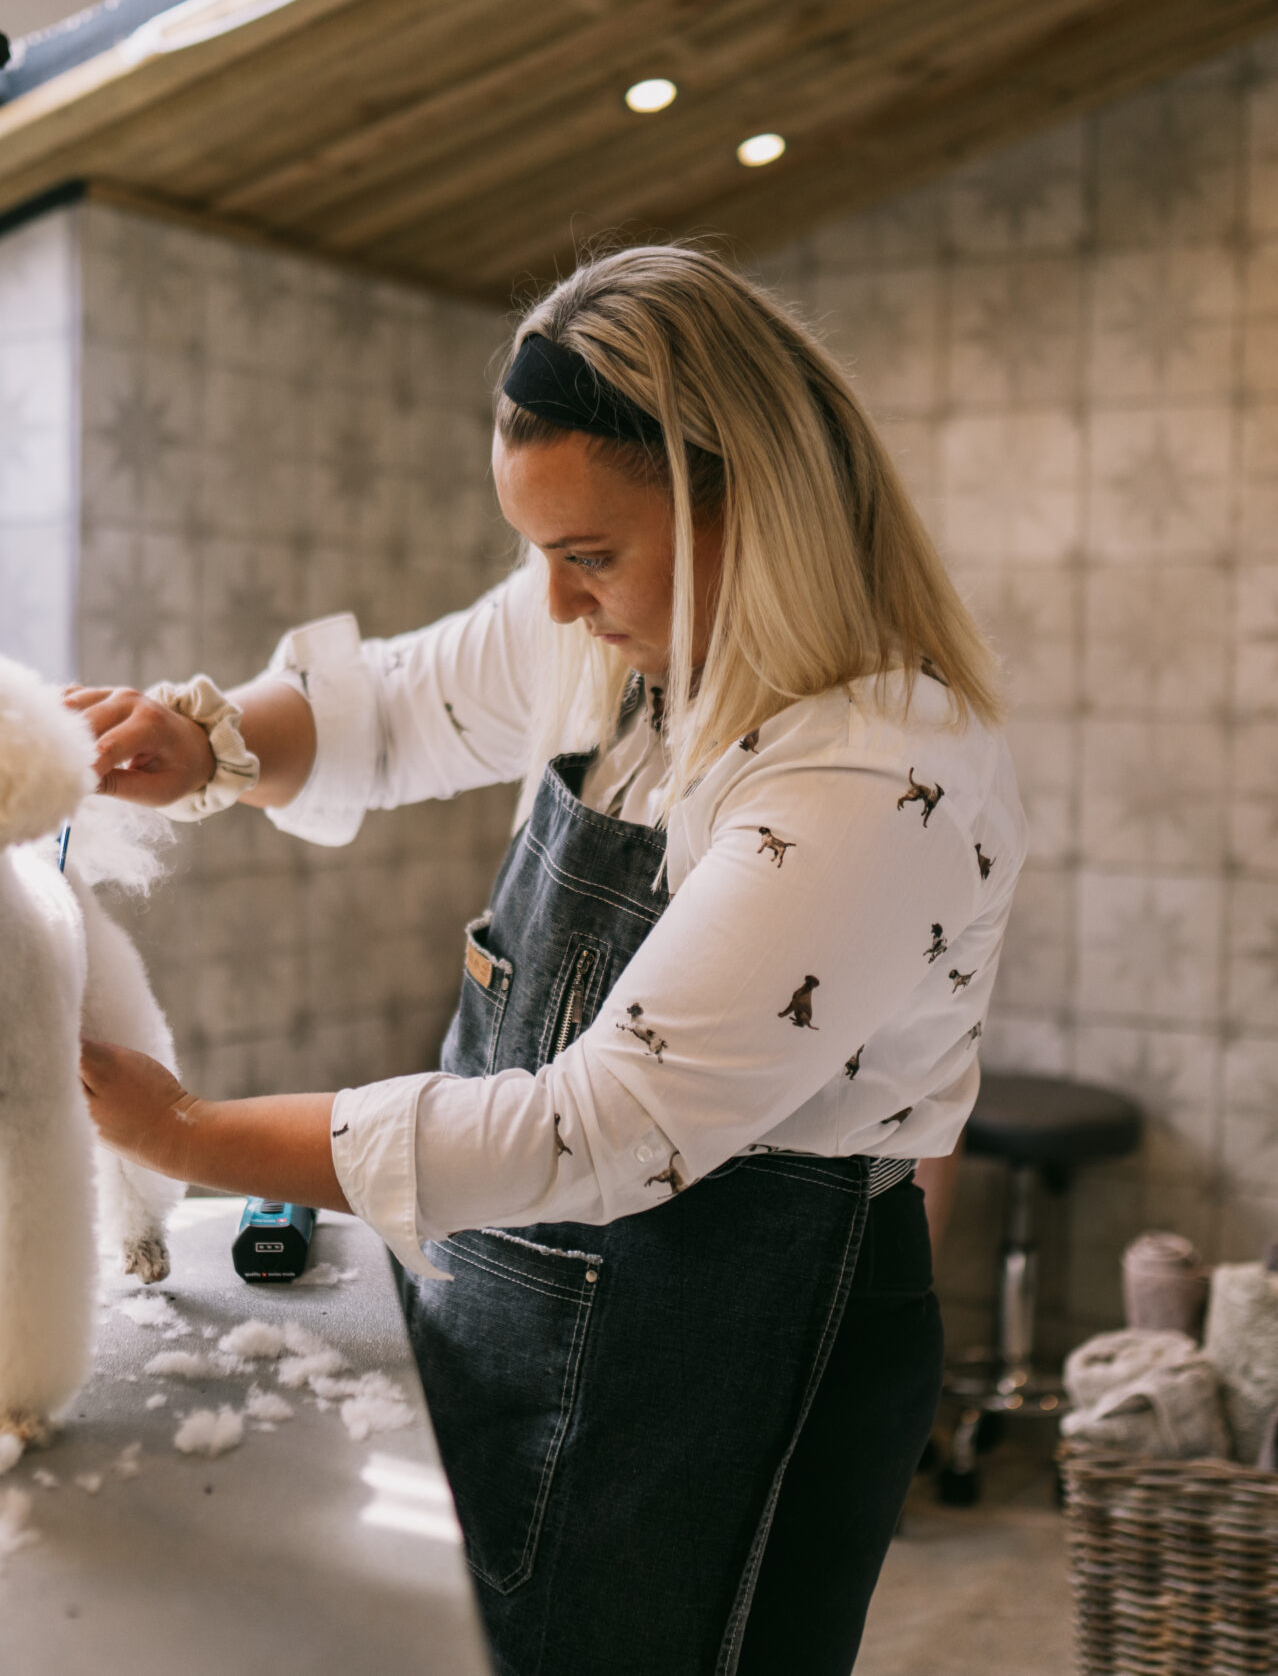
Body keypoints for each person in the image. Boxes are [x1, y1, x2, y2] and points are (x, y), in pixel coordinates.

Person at [65, 245, 1024, 1676]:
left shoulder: (877, 770)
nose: (560, 604)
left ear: (752, 507)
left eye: (591, 556)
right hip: (536, 1284)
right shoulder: (622, 632)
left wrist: (189, 1135)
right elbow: (399, 706)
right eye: (541, 555)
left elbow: (603, 1124)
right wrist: (209, 742)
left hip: (741, 1342)